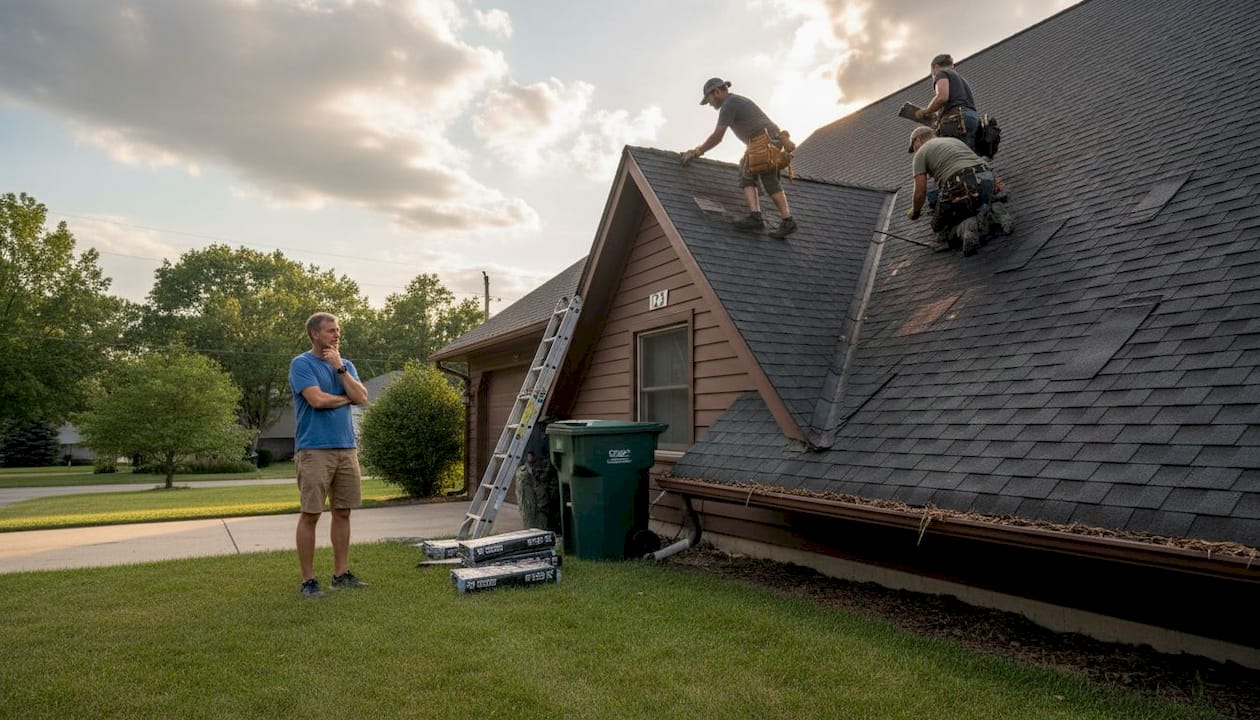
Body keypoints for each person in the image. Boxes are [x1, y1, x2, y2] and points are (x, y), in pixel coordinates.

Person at [289, 312, 370, 598]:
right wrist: (347, 399)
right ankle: (308, 581)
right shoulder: (302, 364)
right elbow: (317, 400)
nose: (336, 335)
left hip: (346, 448)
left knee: (343, 511)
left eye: (337, 330)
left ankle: (341, 574)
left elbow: (362, 396)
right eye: (330, 331)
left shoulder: (345, 365)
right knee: (311, 514)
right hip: (314, 450)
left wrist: (340, 370)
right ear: (315, 334)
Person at [680, 77, 798, 240]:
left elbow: (717, 136)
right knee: (753, 173)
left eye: (710, 100)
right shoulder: (736, 100)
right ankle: (772, 218)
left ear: (717, 92)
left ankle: (774, 219)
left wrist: (697, 151)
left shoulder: (729, 105)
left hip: (764, 142)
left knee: (754, 176)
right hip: (768, 141)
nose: (710, 104)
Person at [905, 126, 1005, 257]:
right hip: (987, 179)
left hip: (960, 185)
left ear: (917, 140)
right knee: (975, 201)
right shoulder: (953, 141)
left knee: (938, 225)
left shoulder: (921, 153)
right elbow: (978, 161)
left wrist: (916, 212)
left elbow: (920, 192)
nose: (915, 151)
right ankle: (993, 211)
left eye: (914, 147)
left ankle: (964, 229)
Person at [915, 54, 980, 150]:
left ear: (936, 67)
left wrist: (926, 111)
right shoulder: (961, 80)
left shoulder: (941, 73)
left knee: (955, 157)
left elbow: (942, 97)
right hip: (973, 119)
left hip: (957, 121)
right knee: (970, 157)